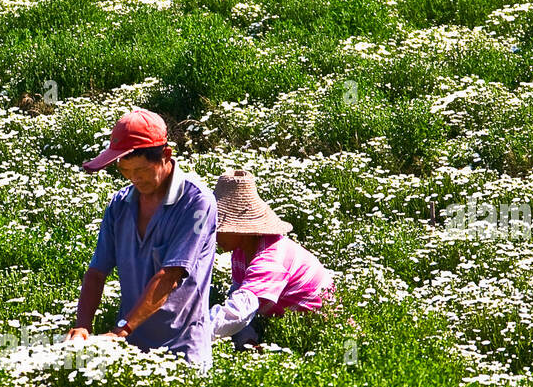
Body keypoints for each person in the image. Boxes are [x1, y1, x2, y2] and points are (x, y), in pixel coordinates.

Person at [65, 108, 217, 371]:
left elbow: (169, 276)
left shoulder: (196, 202)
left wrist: (121, 330)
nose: (135, 179)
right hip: (130, 351)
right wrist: (83, 326)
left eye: (142, 170)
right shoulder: (120, 204)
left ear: (166, 155)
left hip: (182, 350)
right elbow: (96, 272)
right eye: (125, 171)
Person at [206, 169, 336, 351]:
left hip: (325, 334)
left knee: (351, 367)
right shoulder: (241, 252)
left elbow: (239, 312)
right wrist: (246, 340)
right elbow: (239, 296)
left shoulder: (270, 260)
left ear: (238, 229)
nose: (212, 234)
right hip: (288, 329)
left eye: (218, 227)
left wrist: (193, 333)